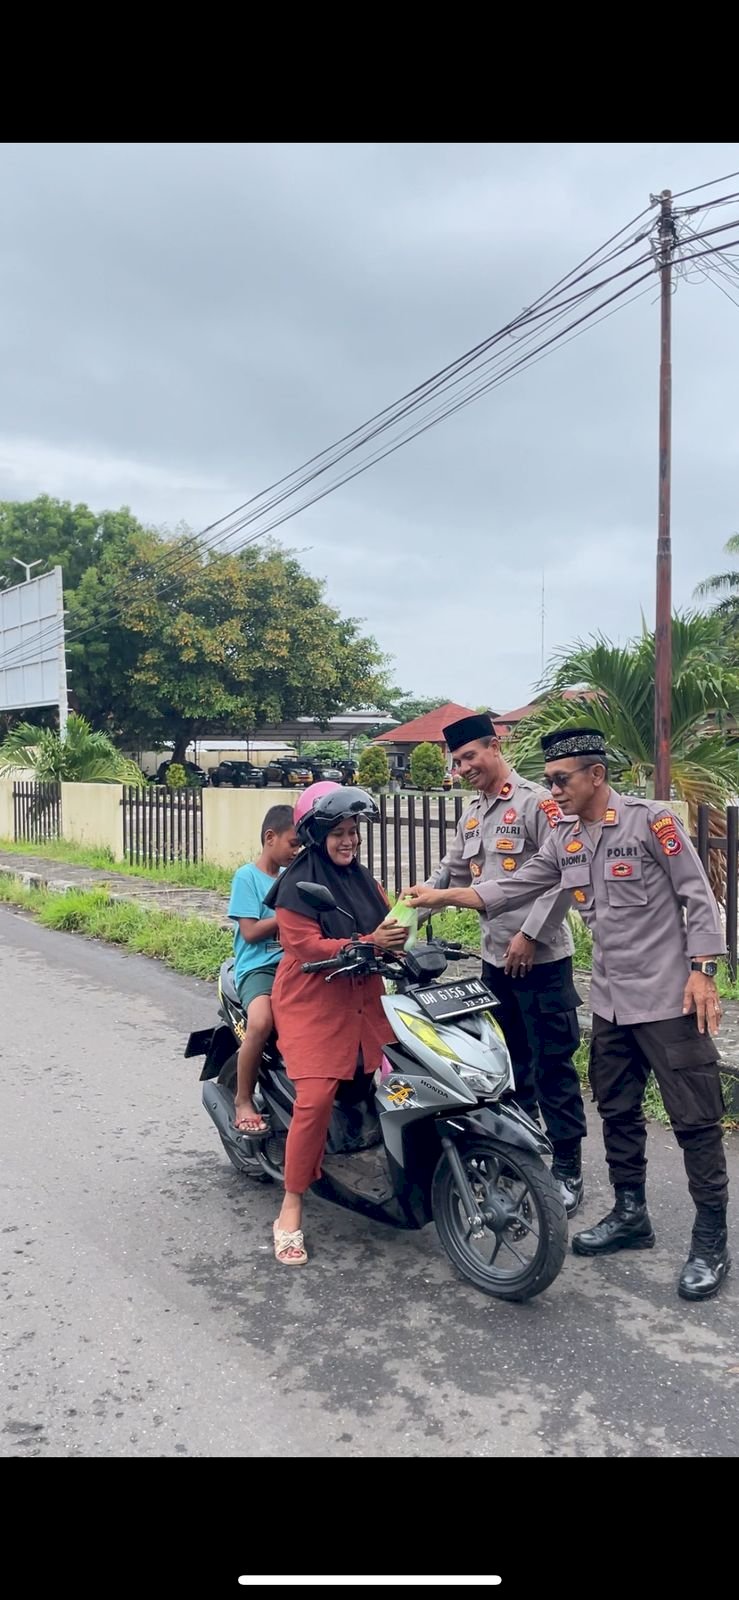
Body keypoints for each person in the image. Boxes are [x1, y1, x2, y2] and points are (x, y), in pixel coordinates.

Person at [405, 727, 731, 1301]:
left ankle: (710, 1240)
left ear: (595, 776)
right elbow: (512, 886)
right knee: (619, 1111)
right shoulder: (567, 840)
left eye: (561, 781)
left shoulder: (650, 823)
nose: (552, 791)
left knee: (695, 1121)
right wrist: (440, 896)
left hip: (666, 1001)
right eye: (549, 781)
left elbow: (697, 894)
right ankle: (632, 1214)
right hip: (609, 1001)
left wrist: (703, 969)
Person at [421, 711, 588, 1216]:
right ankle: (522, 1157)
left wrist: (529, 934)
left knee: (552, 1066)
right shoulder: (472, 813)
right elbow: (447, 871)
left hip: (541, 963)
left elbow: (563, 874)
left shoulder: (538, 802)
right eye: (457, 761)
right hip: (495, 962)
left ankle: (568, 1168)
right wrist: (407, 911)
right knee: (507, 1067)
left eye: (470, 756)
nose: (463, 767)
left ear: (495, 747)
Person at [265, 785, 407, 1266]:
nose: (350, 842)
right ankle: (290, 1207)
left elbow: (390, 926)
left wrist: (405, 943)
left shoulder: (365, 880)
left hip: (364, 996)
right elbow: (305, 947)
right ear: (317, 834)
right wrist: (370, 941)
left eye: (354, 833)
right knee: (318, 1096)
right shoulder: (296, 886)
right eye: (339, 833)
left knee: (402, 1079)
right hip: (313, 999)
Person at [227, 804, 301, 1136]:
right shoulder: (247, 877)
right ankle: (243, 1099)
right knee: (261, 1022)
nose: (296, 851)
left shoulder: (293, 876)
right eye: (293, 843)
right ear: (270, 838)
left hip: (295, 965)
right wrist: (288, 919)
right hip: (257, 968)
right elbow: (251, 932)